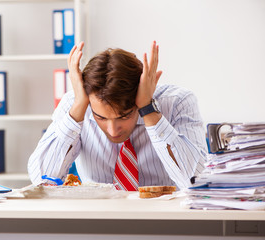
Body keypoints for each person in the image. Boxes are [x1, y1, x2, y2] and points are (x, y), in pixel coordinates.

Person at [28, 41, 208, 189]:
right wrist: (78, 109)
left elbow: (196, 182)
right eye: (101, 118)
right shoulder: (76, 104)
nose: (113, 130)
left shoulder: (178, 102)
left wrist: (147, 108)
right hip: (97, 222)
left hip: (164, 222)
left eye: (124, 116)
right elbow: (41, 179)